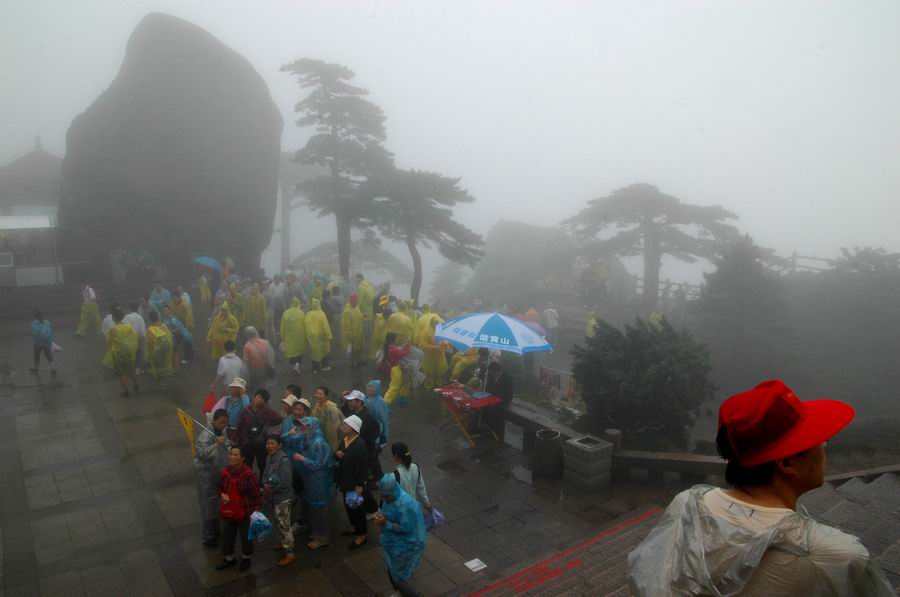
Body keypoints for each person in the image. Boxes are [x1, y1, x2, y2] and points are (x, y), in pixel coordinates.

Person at [627, 379, 895, 596]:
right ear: (787, 463)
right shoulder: (837, 557)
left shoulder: (687, 504)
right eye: (819, 439)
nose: (825, 444)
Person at [375, 472, 427, 597]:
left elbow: (406, 528)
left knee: (401, 577)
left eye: (386, 496)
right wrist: (382, 516)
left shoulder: (406, 504)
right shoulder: (390, 497)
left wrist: (385, 523)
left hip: (408, 544)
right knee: (400, 573)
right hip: (396, 543)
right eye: (382, 496)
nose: (384, 499)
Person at [288, 416, 334, 550]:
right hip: (309, 480)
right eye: (301, 425)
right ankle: (318, 532)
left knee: (319, 510)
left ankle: (323, 537)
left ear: (312, 427)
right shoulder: (307, 437)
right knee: (314, 509)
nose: (302, 428)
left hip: (318, 482)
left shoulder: (319, 442)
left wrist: (303, 459)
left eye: (305, 426)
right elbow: (287, 441)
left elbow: (319, 464)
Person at [215, 445, 260, 572]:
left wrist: (256, 511)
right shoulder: (225, 471)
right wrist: (222, 494)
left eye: (236, 455)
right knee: (227, 535)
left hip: (245, 511)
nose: (232, 457)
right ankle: (229, 558)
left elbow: (256, 494)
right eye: (231, 454)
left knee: (246, 537)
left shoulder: (248, 474)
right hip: (229, 510)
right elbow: (219, 487)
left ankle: (247, 558)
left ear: (243, 458)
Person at [195, 408, 229, 547]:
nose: (223, 425)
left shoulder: (223, 432)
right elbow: (202, 453)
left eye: (225, 423)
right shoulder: (205, 436)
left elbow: (227, 446)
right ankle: (209, 536)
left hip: (219, 471)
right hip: (206, 475)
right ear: (214, 421)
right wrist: (216, 444)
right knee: (208, 505)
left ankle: (217, 530)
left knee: (217, 503)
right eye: (221, 422)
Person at [335, 415, 370, 549]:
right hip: (345, 481)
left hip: (354, 484)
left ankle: (362, 534)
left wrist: (360, 485)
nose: (343, 427)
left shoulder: (360, 445)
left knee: (357, 509)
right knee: (349, 506)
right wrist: (336, 454)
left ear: (354, 428)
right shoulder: (345, 440)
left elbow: (363, 467)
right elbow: (338, 454)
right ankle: (355, 527)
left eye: (346, 425)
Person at [262, 434, 296, 567]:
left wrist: (270, 489)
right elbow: (265, 473)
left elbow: (286, 482)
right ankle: (283, 542)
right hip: (273, 496)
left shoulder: (284, 460)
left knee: (284, 525)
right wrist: (265, 483)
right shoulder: (269, 457)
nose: (269, 446)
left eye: (272, 443)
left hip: (283, 498)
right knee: (278, 521)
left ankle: (290, 553)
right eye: (268, 443)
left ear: (279, 445)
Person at [234, 388, 283, 479]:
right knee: (246, 463)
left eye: (263, 399)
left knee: (262, 464)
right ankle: (248, 482)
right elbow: (239, 425)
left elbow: (279, 419)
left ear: (265, 401)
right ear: (254, 396)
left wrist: (266, 424)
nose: (259, 400)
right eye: (258, 397)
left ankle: (262, 482)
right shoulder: (246, 410)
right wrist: (234, 440)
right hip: (247, 441)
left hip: (261, 442)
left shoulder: (267, 411)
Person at [344, 390, 383, 489]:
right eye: (349, 401)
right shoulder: (357, 413)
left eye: (351, 401)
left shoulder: (366, 418)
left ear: (359, 402)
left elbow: (370, 439)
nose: (349, 403)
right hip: (363, 450)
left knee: (368, 469)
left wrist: (365, 454)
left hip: (365, 451)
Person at [102, 308, 139, 397]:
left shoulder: (113, 330)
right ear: (122, 317)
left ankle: (126, 391)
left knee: (121, 373)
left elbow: (109, 342)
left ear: (114, 318)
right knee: (131, 369)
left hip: (119, 354)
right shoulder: (129, 327)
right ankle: (136, 384)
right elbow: (134, 338)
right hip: (129, 352)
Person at [390, 443, 432, 514]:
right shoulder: (415, 467)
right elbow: (421, 488)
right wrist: (427, 503)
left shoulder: (394, 475)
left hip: (401, 511)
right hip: (414, 508)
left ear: (396, 456)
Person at [483, 361, 513, 440]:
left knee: (497, 413)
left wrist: (498, 399)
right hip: (491, 399)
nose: (490, 375)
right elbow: (488, 388)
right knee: (482, 408)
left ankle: (498, 434)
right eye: (489, 373)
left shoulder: (507, 378)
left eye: (492, 373)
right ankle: (488, 429)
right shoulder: (490, 376)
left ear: (498, 371)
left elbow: (509, 395)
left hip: (502, 401)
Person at [145, 311, 174, 387]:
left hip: (156, 353)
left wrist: (148, 356)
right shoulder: (164, 327)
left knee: (157, 368)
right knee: (164, 366)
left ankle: (161, 383)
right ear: (158, 317)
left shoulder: (150, 330)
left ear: (150, 320)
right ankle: (163, 381)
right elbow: (170, 337)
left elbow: (149, 344)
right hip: (165, 350)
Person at [280, 297, 307, 374]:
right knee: (300, 350)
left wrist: (282, 336)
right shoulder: (301, 313)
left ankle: (292, 364)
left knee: (291, 350)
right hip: (300, 336)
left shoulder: (285, 313)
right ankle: (298, 364)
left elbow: (282, 326)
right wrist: (306, 335)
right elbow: (304, 324)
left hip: (289, 336)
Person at [306, 299, 333, 374]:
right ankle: (324, 366)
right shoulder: (321, 314)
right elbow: (325, 326)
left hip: (311, 336)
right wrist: (329, 335)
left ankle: (315, 369)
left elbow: (306, 325)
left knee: (313, 352)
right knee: (323, 351)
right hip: (321, 336)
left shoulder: (308, 314)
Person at [312, 386, 343, 451]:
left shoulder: (331, 408)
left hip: (331, 439)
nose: (318, 395)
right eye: (317, 393)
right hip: (321, 438)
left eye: (320, 394)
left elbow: (332, 430)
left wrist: (332, 447)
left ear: (326, 396)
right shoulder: (317, 405)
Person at [341, 294, 367, 368]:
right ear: (351, 302)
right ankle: (352, 363)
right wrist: (349, 336)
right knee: (353, 350)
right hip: (353, 334)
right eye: (355, 302)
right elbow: (345, 326)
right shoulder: (347, 311)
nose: (356, 303)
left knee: (359, 348)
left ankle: (358, 361)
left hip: (359, 332)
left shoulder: (356, 307)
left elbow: (358, 315)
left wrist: (363, 316)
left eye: (357, 301)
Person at [365, 380, 390, 456]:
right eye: (368, 386)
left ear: (376, 389)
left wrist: (384, 435)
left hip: (376, 428)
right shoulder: (365, 398)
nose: (369, 388)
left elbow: (384, 419)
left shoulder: (380, 402)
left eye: (372, 387)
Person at [30, 310, 56, 375]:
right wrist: (50, 340)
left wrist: (35, 339)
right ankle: (54, 368)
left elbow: (34, 333)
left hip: (38, 343)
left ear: (35, 316)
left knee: (36, 355)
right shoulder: (47, 322)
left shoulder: (34, 323)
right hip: (46, 342)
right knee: (48, 355)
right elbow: (50, 331)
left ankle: (36, 368)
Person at [355, 273, 375, 339]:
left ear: (359, 278)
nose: (356, 280)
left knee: (365, 322)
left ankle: (365, 336)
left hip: (364, 307)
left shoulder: (361, 286)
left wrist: (356, 307)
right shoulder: (369, 285)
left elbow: (360, 298)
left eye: (356, 279)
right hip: (370, 307)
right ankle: (370, 335)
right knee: (369, 322)